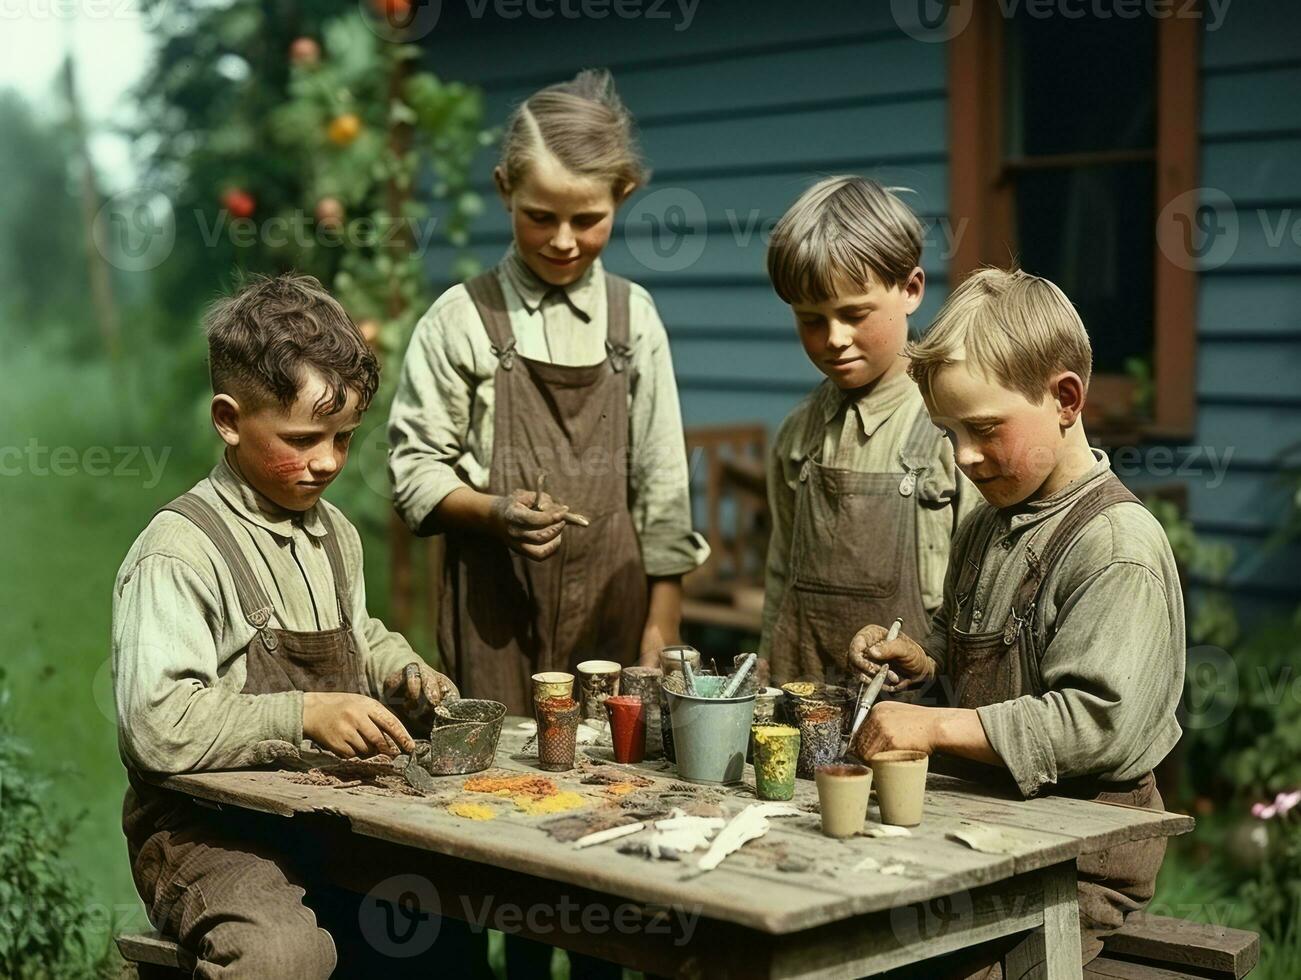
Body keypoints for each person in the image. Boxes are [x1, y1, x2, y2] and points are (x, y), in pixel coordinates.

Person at [387, 68, 706, 979]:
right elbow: (413, 468)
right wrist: (487, 511)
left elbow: (662, 491)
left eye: (587, 219)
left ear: (623, 198)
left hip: (612, 617)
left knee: (608, 839)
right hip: (492, 625)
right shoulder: (461, 320)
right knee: (495, 831)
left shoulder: (632, 321)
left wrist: (659, 632)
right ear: (505, 195)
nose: (563, 240)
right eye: (539, 217)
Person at [113, 273, 461, 978]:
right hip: (206, 836)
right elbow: (156, 726)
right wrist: (304, 713)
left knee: (440, 925)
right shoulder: (180, 550)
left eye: (344, 438)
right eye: (303, 438)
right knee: (284, 955)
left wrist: (399, 669)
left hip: (319, 813)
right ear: (229, 418)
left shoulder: (333, 532)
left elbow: (355, 634)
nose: (328, 461)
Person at [850, 267, 1185, 976]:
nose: (964, 456)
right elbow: (977, 651)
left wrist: (932, 727)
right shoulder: (987, 525)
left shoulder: (1114, 547)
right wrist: (923, 656)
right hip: (988, 830)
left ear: (1065, 398)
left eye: (983, 428)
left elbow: (1096, 722)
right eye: (949, 432)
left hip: (1078, 864)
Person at [759, 176, 975, 687]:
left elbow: (982, 598)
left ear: (911, 290)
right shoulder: (797, 437)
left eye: (854, 314)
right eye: (811, 320)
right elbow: (778, 582)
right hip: (802, 705)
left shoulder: (952, 429)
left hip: (919, 715)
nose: (834, 338)